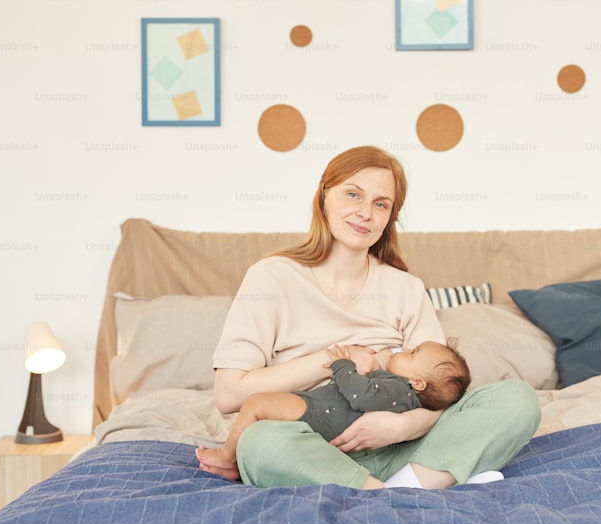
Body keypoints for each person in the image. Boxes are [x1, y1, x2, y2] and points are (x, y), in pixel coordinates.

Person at [211, 145, 541, 489]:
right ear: (324, 197)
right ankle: (410, 490)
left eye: (380, 203)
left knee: (518, 399)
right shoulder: (271, 277)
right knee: (259, 443)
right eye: (353, 194)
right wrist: (337, 358)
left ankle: (400, 487)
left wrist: (401, 427)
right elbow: (230, 395)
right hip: (314, 446)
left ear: (389, 217)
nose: (365, 213)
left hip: (405, 445)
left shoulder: (406, 288)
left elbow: (442, 391)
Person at [196, 340, 470, 481]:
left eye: (411, 353)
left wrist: (342, 364)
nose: (404, 349)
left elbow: (360, 396)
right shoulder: (399, 389)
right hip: (322, 411)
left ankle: (226, 456)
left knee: (257, 404)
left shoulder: (399, 389)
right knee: (261, 417)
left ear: (418, 382)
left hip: (320, 414)